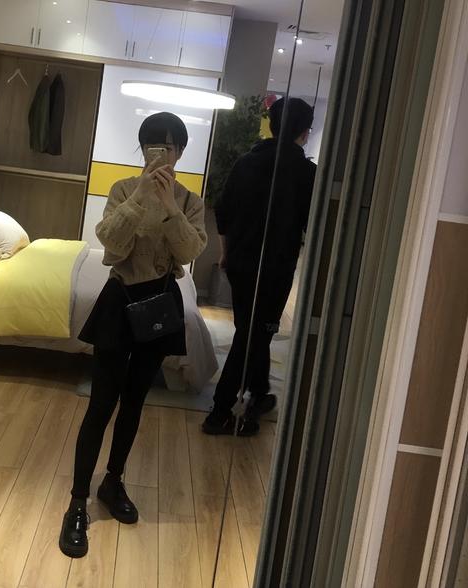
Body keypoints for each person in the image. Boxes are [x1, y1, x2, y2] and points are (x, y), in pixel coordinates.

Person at [59, 112, 207, 558]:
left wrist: (170, 208)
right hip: (120, 301)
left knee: (135, 402)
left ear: (181, 151)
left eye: (170, 147)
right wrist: (141, 196)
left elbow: (191, 250)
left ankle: (113, 481)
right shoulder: (124, 189)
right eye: (153, 147)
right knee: (100, 404)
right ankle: (77, 502)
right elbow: (111, 243)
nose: (162, 155)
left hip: (160, 305)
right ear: (142, 150)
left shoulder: (190, 200)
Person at [203, 97, 316, 437]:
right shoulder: (307, 174)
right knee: (253, 335)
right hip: (275, 270)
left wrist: (225, 254)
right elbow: (314, 226)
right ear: (305, 132)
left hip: (240, 263)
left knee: (251, 331)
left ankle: (260, 391)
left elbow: (223, 212)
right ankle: (221, 413)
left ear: (272, 126)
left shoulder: (246, 162)